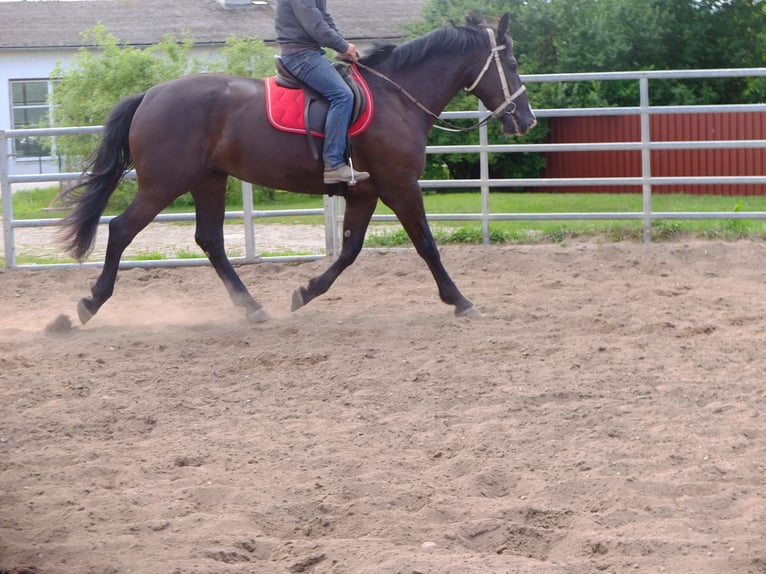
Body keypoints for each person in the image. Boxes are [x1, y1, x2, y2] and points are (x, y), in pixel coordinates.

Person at [275, 0, 370, 185]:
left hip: (311, 53)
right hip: (300, 55)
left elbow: (324, 18)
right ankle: (334, 164)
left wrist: (343, 47)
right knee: (342, 95)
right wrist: (342, 46)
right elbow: (314, 24)